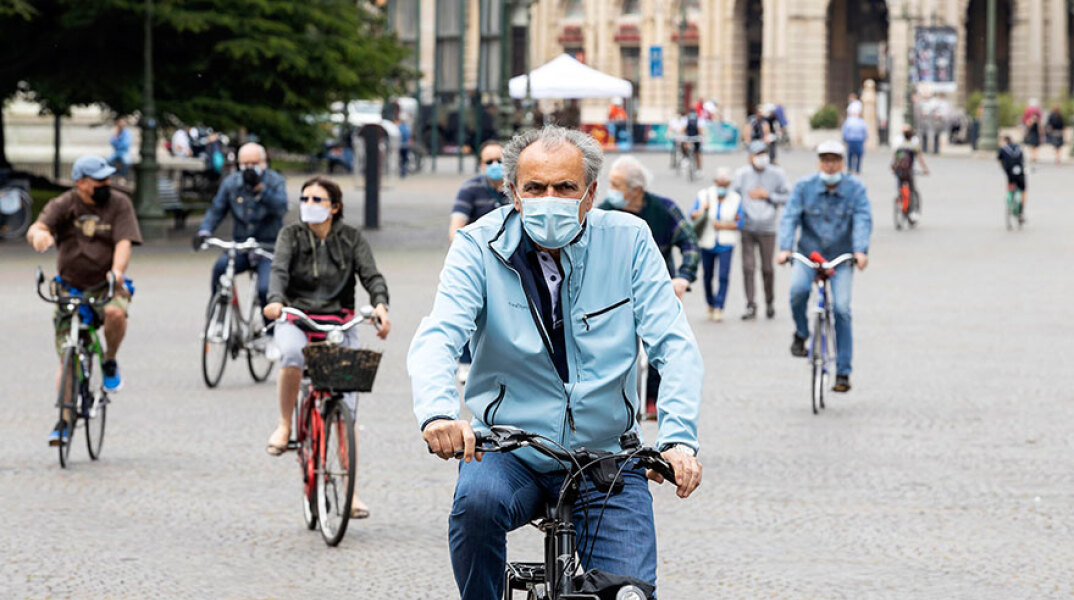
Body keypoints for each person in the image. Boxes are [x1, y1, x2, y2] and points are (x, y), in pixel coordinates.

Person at [408, 126, 703, 600]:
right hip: (508, 450)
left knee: (629, 594)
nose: (550, 199)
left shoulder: (629, 240)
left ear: (590, 194)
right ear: (514, 194)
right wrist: (439, 413)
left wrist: (678, 440)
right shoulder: (477, 246)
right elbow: (438, 335)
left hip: (607, 454)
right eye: (535, 188)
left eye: (565, 188)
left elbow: (675, 344)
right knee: (476, 504)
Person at [263, 176, 391, 518]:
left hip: (338, 321)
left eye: (317, 199)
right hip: (296, 317)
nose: (308, 203)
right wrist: (275, 301)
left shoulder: (351, 238)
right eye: (304, 197)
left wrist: (380, 305)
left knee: (347, 407)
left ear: (334, 207)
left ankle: (351, 492)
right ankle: (285, 423)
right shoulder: (290, 235)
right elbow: (278, 272)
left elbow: (372, 275)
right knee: (290, 354)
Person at [27, 155, 143, 444]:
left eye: (107, 179)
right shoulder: (64, 204)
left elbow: (124, 242)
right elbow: (39, 227)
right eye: (99, 180)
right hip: (70, 288)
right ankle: (64, 421)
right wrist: (39, 236)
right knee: (67, 354)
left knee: (116, 314)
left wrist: (117, 272)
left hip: (105, 284)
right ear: (81, 183)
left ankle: (110, 361)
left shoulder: (119, 204)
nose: (106, 184)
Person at [602, 155, 699, 419]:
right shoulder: (605, 211)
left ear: (636, 189)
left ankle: (655, 399)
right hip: (614, 291)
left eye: (616, 184)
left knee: (663, 341)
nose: (610, 190)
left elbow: (689, 243)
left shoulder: (663, 209)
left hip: (658, 288)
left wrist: (684, 277)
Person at [777, 141, 872, 393]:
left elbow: (863, 218)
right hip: (809, 254)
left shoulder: (855, 188)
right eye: (825, 160)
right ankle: (801, 332)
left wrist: (861, 250)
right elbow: (790, 217)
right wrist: (785, 248)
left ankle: (843, 371)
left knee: (841, 308)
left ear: (842, 162)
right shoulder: (803, 187)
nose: (830, 165)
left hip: (841, 257)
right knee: (797, 291)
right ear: (819, 162)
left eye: (835, 160)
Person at [194, 143, 287, 309]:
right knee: (220, 269)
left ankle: (271, 330)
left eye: (254, 163)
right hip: (241, 246)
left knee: (266, 290)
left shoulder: (275, 181)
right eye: (245, 164)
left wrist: (261, 190)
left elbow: (281, 208)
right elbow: (216, 210)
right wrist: (205, 231)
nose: (249, 168)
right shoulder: (231, 183)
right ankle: (216, 311)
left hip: (268, 248)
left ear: (264, 162)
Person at [448, 140, 507, 383]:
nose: (495, 165)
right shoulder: (470, 189)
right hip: (479, 259)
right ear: (481, 165)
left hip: (508, 262)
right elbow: (456, 227)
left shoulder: (516, 188)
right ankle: (464, 360)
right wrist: (464, 257)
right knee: (470, 308)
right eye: (489, 161)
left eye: (499, 161)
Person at [733, 140, 790, 320]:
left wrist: (768, 196)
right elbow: (732, 196)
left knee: (767, 268)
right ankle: (751, 304)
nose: (761, 158)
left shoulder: (777, 174)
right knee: (748, 267)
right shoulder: (741, 174)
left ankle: (769, 302)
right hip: (747, 227)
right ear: (750, 157)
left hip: (768, 227)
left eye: (764, 153)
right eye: (757, 154)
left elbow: (788, 196)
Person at [690, 167, 742, 322]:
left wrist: (723, 226)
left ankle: (719, 305)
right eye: (720, 184)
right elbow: (692, 215)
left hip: (726, 243)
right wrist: (701, 211)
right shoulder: (704, 195)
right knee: (707, 276)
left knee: (723, 276)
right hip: (707, 242)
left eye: (725, 184)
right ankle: (710, 303)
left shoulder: (735, 198)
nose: (722, 188)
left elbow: (740, 222)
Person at [891, 125, 930, 223]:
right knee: (912, 191)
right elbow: (920, 159)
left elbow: (894, 159)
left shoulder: (899, 146)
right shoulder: (913, 147)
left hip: (899, 172)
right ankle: (913, 211)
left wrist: (893, 169)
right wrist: (925, 169)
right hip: (909, 172)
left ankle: (899, 199)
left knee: (900, 188)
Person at [997, 135, 1027, 224]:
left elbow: (1000, 159)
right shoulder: (1018, 148)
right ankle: (1021, 212)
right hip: (1020, 172)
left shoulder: (1003, 149)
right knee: (1023, 190)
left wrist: (1004, 168)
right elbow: (1022, 161)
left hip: (1010, 173)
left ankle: (1009, 200)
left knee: (1010, 185)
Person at [842, 104, 868, 174]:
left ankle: (850, 167)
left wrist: (844, 138)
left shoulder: (848, 121)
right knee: (858, 154)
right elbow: (864, 131)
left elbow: (845, 130)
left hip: (851, 140)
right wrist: (864, 138)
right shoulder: (861, 121)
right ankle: (857, 168)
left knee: (850, 154)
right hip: (859, 140)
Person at [1022, 99, 1042, 166]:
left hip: (1032, 135)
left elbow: (1025, 123)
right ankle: (1034, 157)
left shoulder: (1031, 119)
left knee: (1033, 147)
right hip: (1034, 135)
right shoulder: (1037, 120)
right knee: (1034, 147)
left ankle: (1034, 157)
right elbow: (1040, 129)